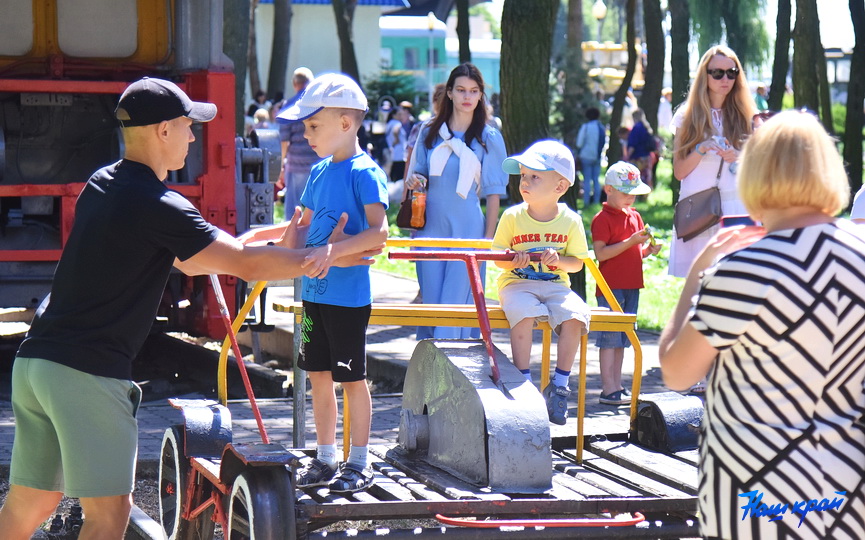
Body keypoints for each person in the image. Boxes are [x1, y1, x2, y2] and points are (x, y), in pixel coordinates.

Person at [0, 77, 381, 539]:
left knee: (30, 501)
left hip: (37, 364)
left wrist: (279, 245)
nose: (194, 135)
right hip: (87, 374)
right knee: (108, 515)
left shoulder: (103, 184)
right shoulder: (162, 204)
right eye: (187, 126)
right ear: (163, 130)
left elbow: (204, 254)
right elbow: (239, 264)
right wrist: (319, 257)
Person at [658, 110, 865, 540]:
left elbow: (678, 372)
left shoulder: (745, 269)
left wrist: (698, 271)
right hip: (849, 485)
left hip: (754, 490)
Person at [276, 73, 389, 493]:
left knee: (351, 380)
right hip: (313, 297)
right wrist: (279, 248)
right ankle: (325, 458)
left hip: (347, 300)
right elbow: (300, 227)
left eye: (313, 126)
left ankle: (358, 462)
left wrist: (333, 252)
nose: (305, 135)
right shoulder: (320, 172)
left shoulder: (365, 173)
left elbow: (379, 233)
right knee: (317, 377)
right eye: (304, 127)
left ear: (345, 123)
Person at [404, 63, 508, 340]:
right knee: (432, 307)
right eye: (461, 90)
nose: (467, 97)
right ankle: (428, 377)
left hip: (469, 231)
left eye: (474, 91)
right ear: (449, 93)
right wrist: (415, 180)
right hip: (430, 231)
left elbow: (493, 193)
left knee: (455, 306)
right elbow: (417, 174)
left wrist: (487, 241)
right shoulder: (428, 131)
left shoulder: (489, 138)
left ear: (480, 96)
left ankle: (454, 376)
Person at [492, 140, 591, 425]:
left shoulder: (570, 221)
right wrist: (512, 259)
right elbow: (497, 257)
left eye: (535, 176)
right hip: (516, 284)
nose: (525, 182)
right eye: (523, 175)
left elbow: (577, 263)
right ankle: (522, 383)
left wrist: (558, 261)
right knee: (523, 314)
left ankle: (560, 385)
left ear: (559, 187)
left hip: (556, 286)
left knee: (575, 316)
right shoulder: (512, 216)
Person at [668, 45, 757, 279]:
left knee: (734, 279)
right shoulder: (687, 116)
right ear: (704, 75)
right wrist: (701, 148)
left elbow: (759, 167)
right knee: (699, 281)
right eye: (717, 73)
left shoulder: (746, 115)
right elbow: (679, 171)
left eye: (731, 72)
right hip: (699, 207)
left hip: (734, 204)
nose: (725, 79)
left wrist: (738, 156)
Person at [590, 162, 660, 405]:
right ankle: (608, 388)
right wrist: (632, 242)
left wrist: (647, 250)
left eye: (634, 193)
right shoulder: (602, 219)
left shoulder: (635, 216)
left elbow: (634, 253)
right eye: (626, 193)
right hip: (610, 288)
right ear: (608, 189)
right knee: (609, 339)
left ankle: (617, 386)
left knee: (622, 338)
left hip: (632, 285)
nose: (631, 198)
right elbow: (602, 254)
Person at [277, 67, 319, 213]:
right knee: (316, 205)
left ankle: (292, 233)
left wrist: (281, 165)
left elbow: (284, 141)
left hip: (296, 164)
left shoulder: (288, 105)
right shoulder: (319, 106)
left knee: (293, 207)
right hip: (318, 162)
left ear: (295, 84)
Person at [575, 107, 606, 208]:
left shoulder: (586, 127)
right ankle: (596, 202)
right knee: (596, 180)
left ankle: (586, 202)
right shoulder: (601, 127)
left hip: (586, 156)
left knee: (587, 179)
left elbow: (579, 143)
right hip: (597, 157)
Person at [626, 109, 655, 189]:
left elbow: (633, 144)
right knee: (646, 176)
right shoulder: (647, 128)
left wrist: (628, 156)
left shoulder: (636, 128)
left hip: (637, 157)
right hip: (646, 156)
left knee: (636, 177)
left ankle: (636, 195)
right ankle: (646, 194)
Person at [385, 107, 408, 182]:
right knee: (399, 180)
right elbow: (396, 130)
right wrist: (396, 139)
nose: (401, 116)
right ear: (393, 115)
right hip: (399, 155)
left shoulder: (389, 123)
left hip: (393, 154)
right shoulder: (397, 123)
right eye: (399, 114)